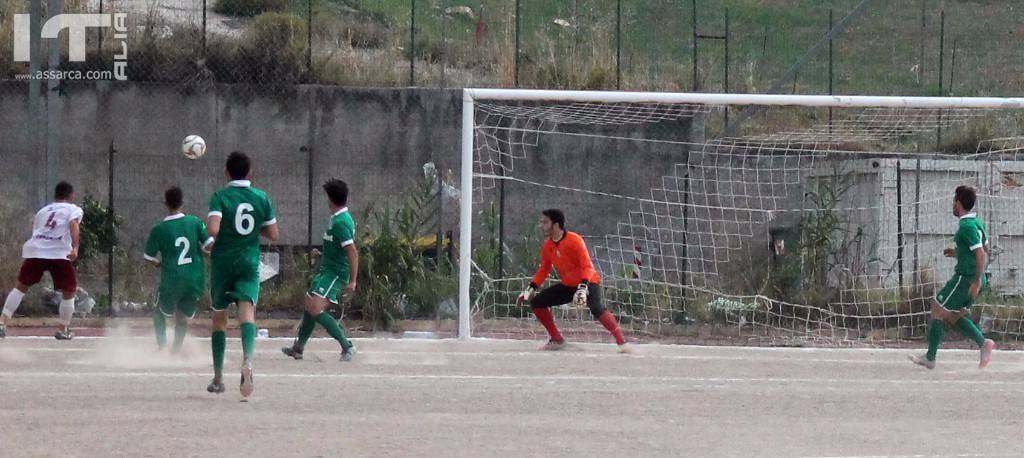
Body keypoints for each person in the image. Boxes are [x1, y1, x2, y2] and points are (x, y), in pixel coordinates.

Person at [206, 152, 279, 398]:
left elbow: (213, 229)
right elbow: (273, 234)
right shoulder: (262, 197)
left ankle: (218, 377)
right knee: (247, 312)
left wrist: (219, 231)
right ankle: (247, 360)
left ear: (226, 173)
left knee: (220, 318)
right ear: (250, 172)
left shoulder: (220, 197)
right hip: (249, 261)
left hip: (223, 262)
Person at [517, 209, 631, 353]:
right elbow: (543, 270)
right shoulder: (548, 246)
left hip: (588, 281)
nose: (541, 225)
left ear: (556, 224)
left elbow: (587, 266)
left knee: (596, 307)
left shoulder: (574, 240)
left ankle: (623, 343)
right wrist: (529, 290)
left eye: (545, 222)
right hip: (568, 285)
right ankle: (557, 340)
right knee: (537, 302)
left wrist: (583, 288)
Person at [910, 185, 995, 369]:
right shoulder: (977, 223)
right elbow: (985, 249)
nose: (952, 205)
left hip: (966, 279)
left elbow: (981, 254)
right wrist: (959, 252)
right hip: (971, 277)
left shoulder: (966, 226)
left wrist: (976, 279)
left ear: (958, 203)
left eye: (953, 201)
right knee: (953, 315)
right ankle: (983, 343)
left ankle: (930, 358)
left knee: (938, 308)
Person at [281, 179, 358, 362]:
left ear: (330, 199)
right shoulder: (337, 219)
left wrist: (352, 281)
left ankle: (347, 346)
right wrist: (323, 253)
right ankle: (298, 348)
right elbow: (338, 246)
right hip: (327, 270)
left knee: (315, 307)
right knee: (309, 305)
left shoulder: (341, 222)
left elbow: (352, 252)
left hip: (335, 273)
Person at [0, 181, 82, 340]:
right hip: (59, 253)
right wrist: (75, 248)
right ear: (71, 196)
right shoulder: (73, 209)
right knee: (69, 291)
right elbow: (73, 223)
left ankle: (2, 322)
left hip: (36, 250)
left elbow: (37, 231)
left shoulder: (43, 211)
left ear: (55, 195)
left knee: (20, 287)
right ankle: (63, 328)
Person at [143, 186, 211, 353]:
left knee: (159, 312)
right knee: (182, 316)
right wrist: (205, 252)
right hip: (194, 279)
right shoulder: (194, 222)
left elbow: (148, 256)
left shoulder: (159, 229)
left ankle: (162, 347)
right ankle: (175, 351)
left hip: (172, 279)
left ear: (165, 203)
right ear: (183, 202)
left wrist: (158, 263)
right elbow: (209, 243)